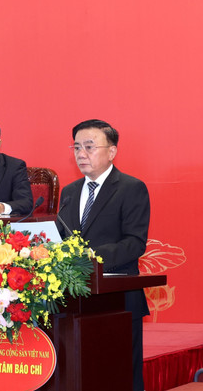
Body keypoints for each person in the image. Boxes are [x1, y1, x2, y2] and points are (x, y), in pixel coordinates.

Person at [57, 119, 150, 391]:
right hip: (75, 301)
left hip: (117, 299)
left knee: (121, 377)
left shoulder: (131, 188)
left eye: (89, 146)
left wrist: (90, 256)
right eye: (76, 147)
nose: (81, 153)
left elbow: (134, 243)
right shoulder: (70, 192)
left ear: (112, 151)